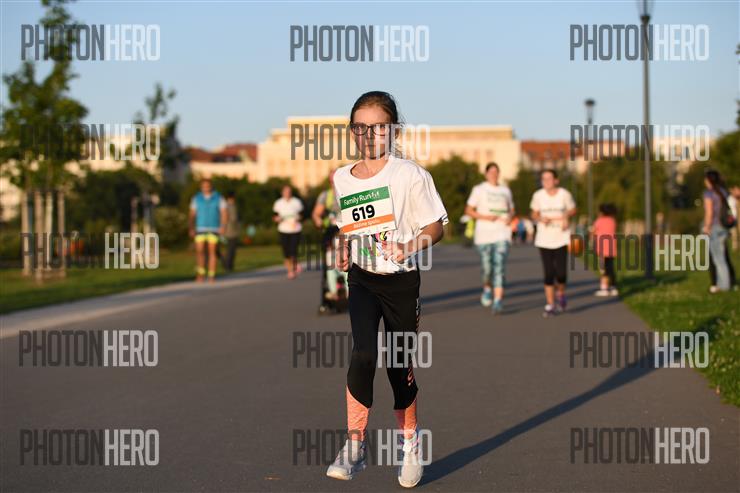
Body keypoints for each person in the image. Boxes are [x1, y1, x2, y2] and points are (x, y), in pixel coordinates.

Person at [326, 91, 447, 488]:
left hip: (400, 282)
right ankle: (355, 445)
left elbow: (436, 227)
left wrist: (410, 246)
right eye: (360, 128)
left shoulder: (410, 174)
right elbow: (347, 227)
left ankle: (409, 444)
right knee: (363, 353)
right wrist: (342, 249)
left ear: (393, 131)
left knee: (398, 367)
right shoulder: (342, 178)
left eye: (378, 127)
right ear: (352, 132)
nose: (369, 135)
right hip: (363, 278)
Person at [464, 162, 514, 314]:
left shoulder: (505, 190)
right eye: (491, 172)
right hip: (484, 234)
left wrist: (510, 217)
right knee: (487, 267)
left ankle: (498, 300)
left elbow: (511, 209)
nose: (494, 175)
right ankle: (487, 288)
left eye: (496, 172)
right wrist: (485, 217)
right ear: (486, 174)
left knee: (499, 265)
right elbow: (468, 210)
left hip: (502, 233)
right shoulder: (479, 189)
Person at [530, 169, 577, 317]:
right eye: (543, 179)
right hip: (544, 238)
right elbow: (533, 213)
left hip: (561, 237)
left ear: (556, 180)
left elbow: (573, 209)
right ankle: (550, 304)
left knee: (561, 273)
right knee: (549, 273)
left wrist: (566, 216)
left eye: (549, 178)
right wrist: (540, 218)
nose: (546, 181)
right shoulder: (538, 195)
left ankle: (561, 293)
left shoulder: (564, 194)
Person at [312, 169, 342, 307]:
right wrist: (317, 220)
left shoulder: (348, 191)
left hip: (346, 230)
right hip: (330, 230)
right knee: (328, 264)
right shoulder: (326, 195)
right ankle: (329, 294)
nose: (333, 183)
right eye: (331, 181)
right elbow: (316, 213)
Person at [189, 178, 227, 283]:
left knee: (212, 251)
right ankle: (200, 274)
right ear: (201, 187)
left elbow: (224, 212)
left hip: (214, 228)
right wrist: (191, 227)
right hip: (200, 227)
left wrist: (223, 226)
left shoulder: (218, 198)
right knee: (199, 251)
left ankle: (211, 275)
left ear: (211, 186)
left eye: (208, 186)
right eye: (204, 186)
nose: (206, 188)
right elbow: (192, 214)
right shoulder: (196, 198)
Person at [703, 169, 734, 292]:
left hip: (715, 227)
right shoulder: (723, 192)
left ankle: (723, 285)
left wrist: (707, 227)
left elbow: (709, 212)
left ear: (708, 180)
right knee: (722, 257)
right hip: (724, 226)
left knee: (717, 258)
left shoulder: (709, 194)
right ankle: (725, 283)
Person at [273, 185, 303, 280]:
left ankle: (292, 269)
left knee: (293, 250)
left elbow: (302, 214)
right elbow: (274, 216)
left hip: (295, 229)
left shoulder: (296, 202)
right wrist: (277, 219)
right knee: (286, 252)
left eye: (289, 191)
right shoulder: (278, 203)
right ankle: (290, 269)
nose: (287, 193)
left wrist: (298, 218)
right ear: (282, 192)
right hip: (283, 229)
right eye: (285, 191)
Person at [591, 203, 619, 297]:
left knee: (603, 269)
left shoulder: (599, 220)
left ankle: (604, 288)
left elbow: (593, 231)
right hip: (611, 248)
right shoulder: (612, 220)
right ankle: (614, 287)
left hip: (602, 249)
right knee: (610, 268)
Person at [221, 191, 241, 272]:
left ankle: (227, 264)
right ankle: (228, 265)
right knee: (231, 250)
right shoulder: (230, 206)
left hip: (229, 230)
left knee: (230, 249)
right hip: (231, 231)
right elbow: (233, 218)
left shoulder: (226, 206)